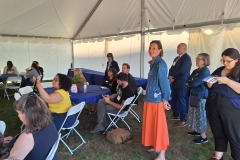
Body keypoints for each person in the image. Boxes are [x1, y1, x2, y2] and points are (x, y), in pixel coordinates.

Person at [206, 48, 240, 160]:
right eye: (223, 60)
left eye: (228, 61)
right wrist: (209, 83)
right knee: (217, 131)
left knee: (234, 135)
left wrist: (227, 81)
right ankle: (218, 156)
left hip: (231, 109)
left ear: (237, 60)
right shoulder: (220, 69)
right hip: (213, 106)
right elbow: (210, 82)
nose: (225, 63)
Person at [142, 40, 171, 160]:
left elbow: (164, 83)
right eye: (150, 48)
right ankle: (156, 145)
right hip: (149, 99)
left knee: (160, 126)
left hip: (157, 100)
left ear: (160, 50)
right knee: (152, 124)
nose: (151, 50)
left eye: (154, 48)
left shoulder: (161, 64)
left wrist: (165, 99)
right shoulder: (153, 63)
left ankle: (162, 154)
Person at [6, 94, 58, 160]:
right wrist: (16, 141)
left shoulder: (27, 137)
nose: (18, 116)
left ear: (27, 115)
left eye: (18, 113)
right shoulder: (49, 122)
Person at [187, 53, 210, 144]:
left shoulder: (205, 71)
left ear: (204, 61)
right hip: (194, 95)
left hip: (201, 96)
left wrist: (191, 82)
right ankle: (196, 131)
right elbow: (189, 79)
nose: (196, 60)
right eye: (196, 58)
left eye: (198, 59)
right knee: (194, 113)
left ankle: (203, 137)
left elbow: (194, 83)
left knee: (201, 116)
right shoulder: (196, 70)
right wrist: (191, 82)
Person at [168, 43, 192, 127]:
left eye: (179, 47)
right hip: (174, 83)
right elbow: (171, 68)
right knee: (175, 99)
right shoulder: (176, 58)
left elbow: (182, 71)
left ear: (184, 49)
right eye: (177, 47)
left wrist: (173, 77)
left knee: (182, 101)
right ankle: (175, 114)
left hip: (182, 83)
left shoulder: (187, 58)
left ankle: (183, 119)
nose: (177, 49)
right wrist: (169, 76)